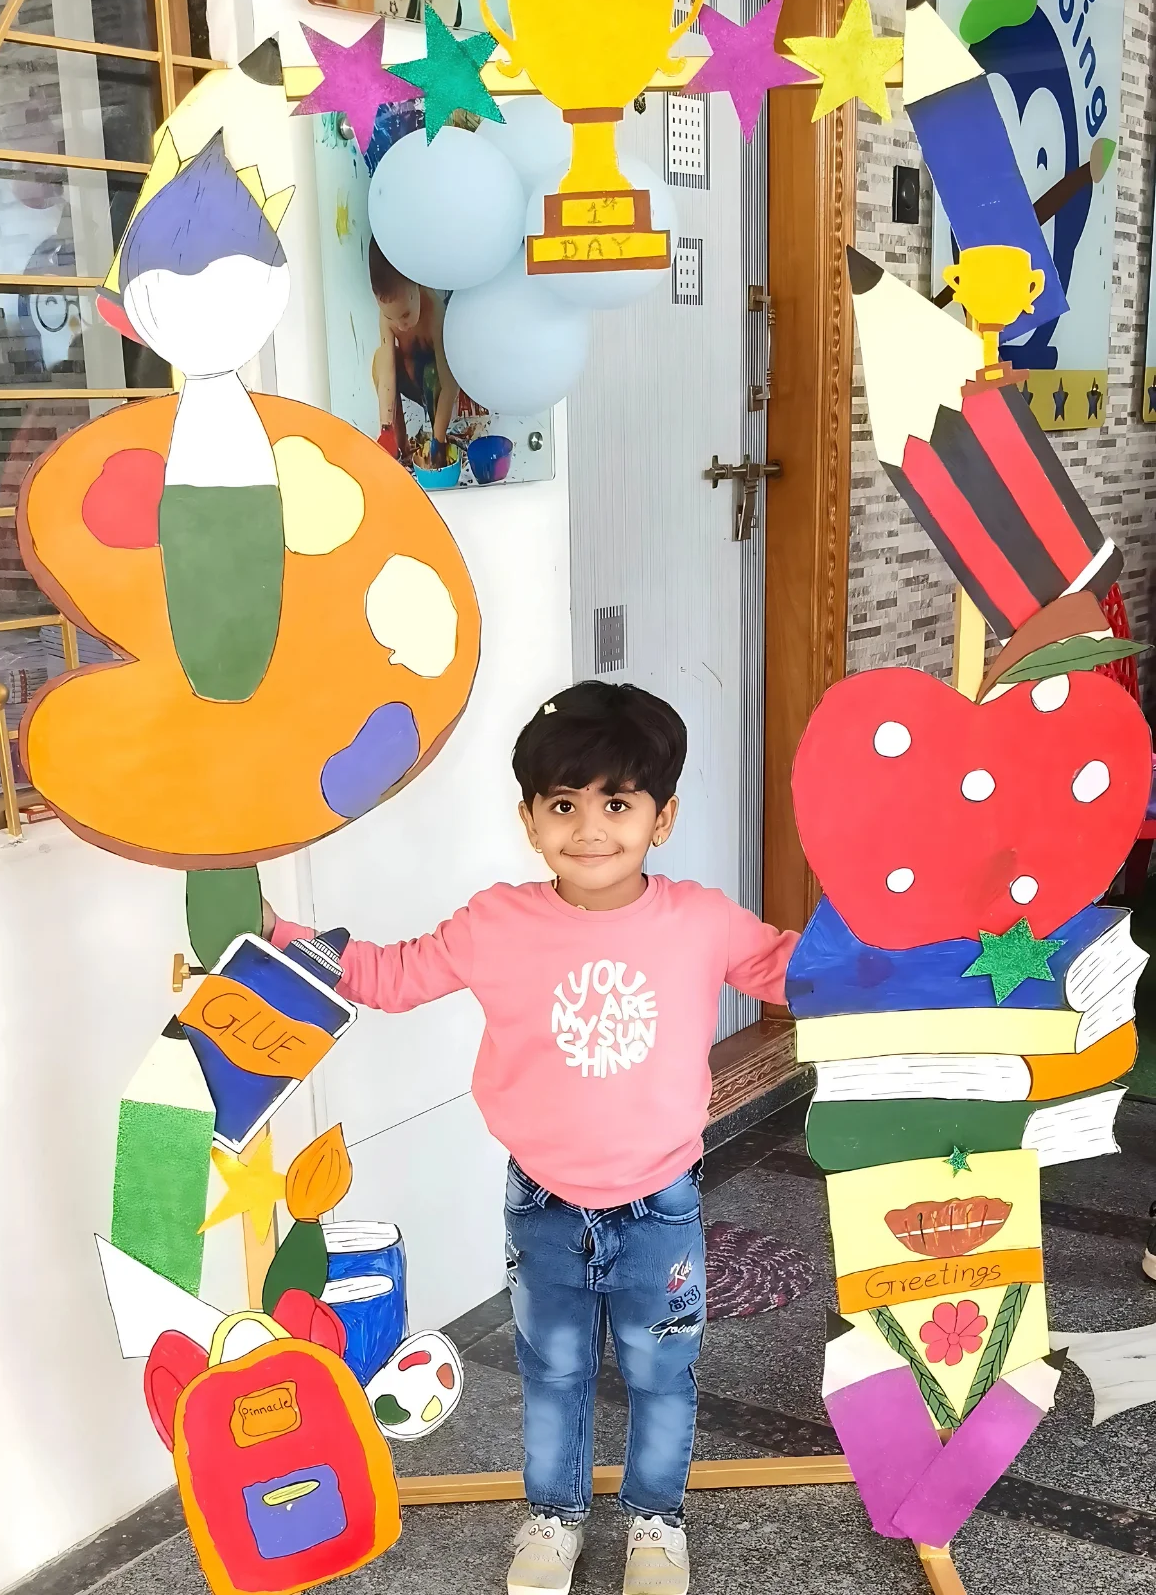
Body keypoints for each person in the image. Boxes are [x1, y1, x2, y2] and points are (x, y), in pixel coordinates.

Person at [262, 681, 799, 1595]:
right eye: (563, 805)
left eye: (617, 805)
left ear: (662, 818)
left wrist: (905, 952)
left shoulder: (702, 920)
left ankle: (657, 1523)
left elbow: (794, 971)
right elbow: (391, 976)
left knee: (662, 1374)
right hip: (543, 1200)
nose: (589, 830)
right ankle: (554, 1517)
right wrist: (273, 934)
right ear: (529, 820)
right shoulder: (496, 923)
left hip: (661, 1202)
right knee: (552, 1374)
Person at [368, 236, 460, 465]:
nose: (400, 325)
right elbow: (387, 376)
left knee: (432, 373)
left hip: (437, 385)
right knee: (380, 360)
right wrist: (386, 427)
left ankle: (437, 440)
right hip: (410, 379)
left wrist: (438, 440)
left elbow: (450, 384)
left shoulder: (434, 312)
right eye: (390, 316)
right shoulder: (389, 317)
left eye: (406, 314)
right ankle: (399, 446)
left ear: (417, 285)